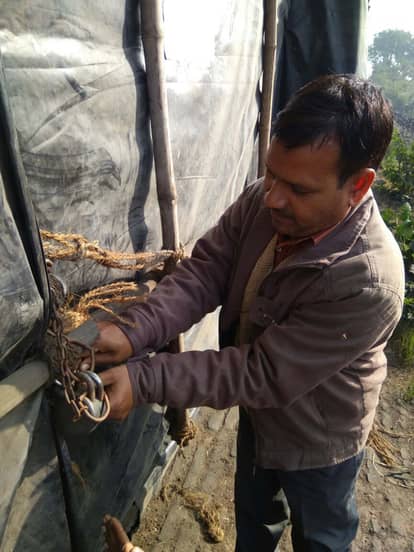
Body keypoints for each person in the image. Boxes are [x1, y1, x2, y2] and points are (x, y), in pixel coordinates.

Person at [92, 74, 405, 551]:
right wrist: (134, 331)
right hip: (262, 416)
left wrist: (143, 379)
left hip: (319, 437)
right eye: (272, 173)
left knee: (321, 536)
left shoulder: (368, 279)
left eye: (299, 189)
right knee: (256, 519)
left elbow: (262, 372)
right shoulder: (265, 200)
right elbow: (207, 271)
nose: (273, 195)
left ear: (358, 185)